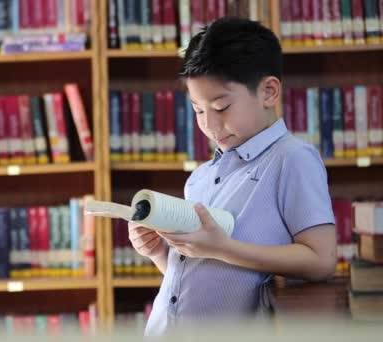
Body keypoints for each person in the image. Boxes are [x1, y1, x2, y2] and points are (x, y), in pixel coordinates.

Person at [128, 17, 337, 336]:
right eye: (198, 110)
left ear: (269, 91)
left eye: (221, 107)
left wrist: (221, 247)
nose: (209, 125)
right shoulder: (200, 177)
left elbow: (321, 261)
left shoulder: (292, 160)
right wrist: (158, 251)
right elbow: (193, 276)